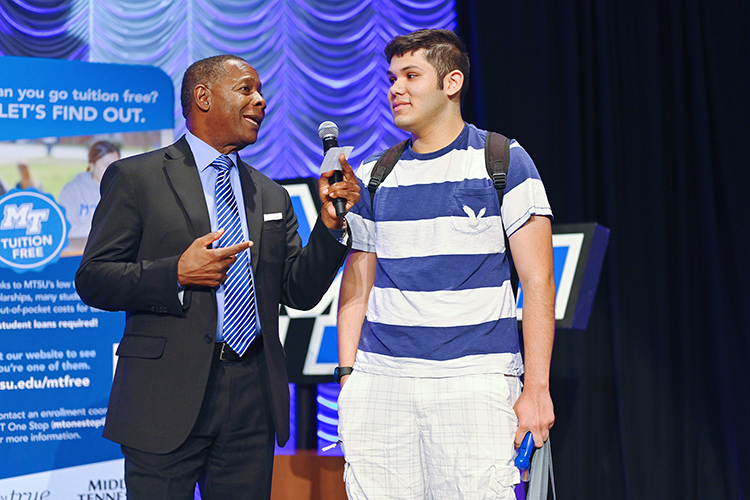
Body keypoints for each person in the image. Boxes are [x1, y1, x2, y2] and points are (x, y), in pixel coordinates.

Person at [75, 54, 360, 500]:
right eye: (246, 89)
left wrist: (329, 228)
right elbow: (93, 277)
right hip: (164, 397)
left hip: (251, 395)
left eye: (261, 91)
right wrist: (175, 274)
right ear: (203, 97)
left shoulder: (269, 192)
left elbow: (298, 292)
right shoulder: (137, 177)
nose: (261, 101)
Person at [336, 29, 555, 499]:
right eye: (392, 77)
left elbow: (537, 280)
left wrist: (536, 387)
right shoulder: (375, 174)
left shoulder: (504, 160)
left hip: (473, 384)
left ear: (451, 82)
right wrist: (349, 374)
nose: (395, 88)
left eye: (411, 75)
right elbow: (358, 278)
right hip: (381, 385)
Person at [58, 141, 120, 238]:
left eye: (116, 165)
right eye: (106, 164)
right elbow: (66, 229)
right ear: (91, 164)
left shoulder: (123, 189)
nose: (111, 170)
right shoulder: (72, 190)